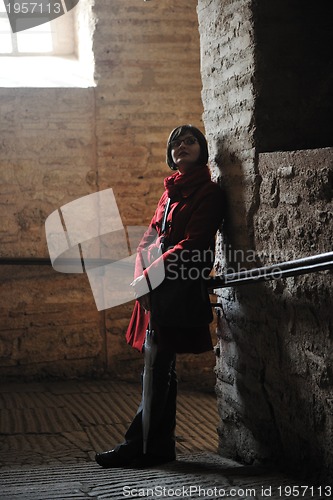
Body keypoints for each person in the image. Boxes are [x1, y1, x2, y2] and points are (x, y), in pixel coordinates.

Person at [95, 124, 225, 468]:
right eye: (176, 143)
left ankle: (141, 445)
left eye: (190, 141)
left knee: (158, 365)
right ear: (170, 154)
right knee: (158, 364)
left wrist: (150, 277)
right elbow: (149, 238)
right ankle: (157, 445)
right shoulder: (168, 194)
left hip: (179, 283)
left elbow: (194, 244)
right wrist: (140, 276)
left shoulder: (209, 193)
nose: (182, 146)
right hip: (155, 284)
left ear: (202, 150)